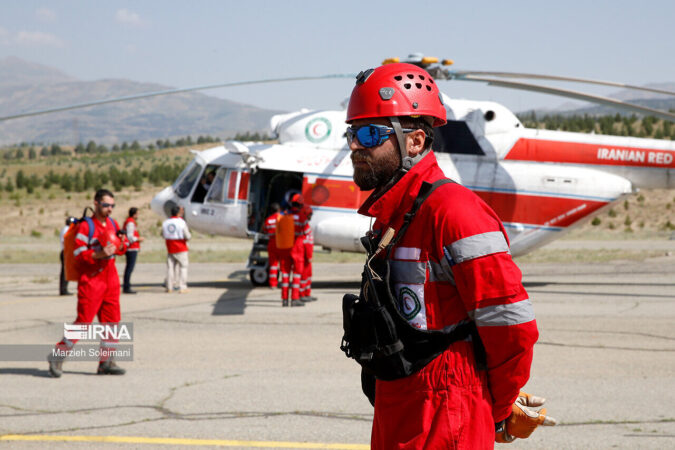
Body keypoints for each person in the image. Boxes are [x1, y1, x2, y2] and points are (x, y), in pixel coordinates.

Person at [342, 63, 550, 448]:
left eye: (370, 134)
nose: (356, 146)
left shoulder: (454, 212)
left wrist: (499, 407)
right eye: (352, 133)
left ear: (416, 141)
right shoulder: (393, 217)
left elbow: (512, 327)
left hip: (444, 419)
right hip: (398, 412)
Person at [49, 189, 127, 377]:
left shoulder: (113, 223)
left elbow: (120, 249)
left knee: (112, 322)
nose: (110, 209)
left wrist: (122, 244)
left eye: (112, 205)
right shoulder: (86, 226)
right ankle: (58, 356)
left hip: (111, 279)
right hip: (92, 280)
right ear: (96, 204)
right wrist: (99, 254)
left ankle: (106, 362)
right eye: (106, 205)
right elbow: (78, 254)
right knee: (83, 322)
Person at [277, 193, 309, 307]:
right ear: (300, 205)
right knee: (296, 274)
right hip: (297, 247)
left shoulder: (284, 215)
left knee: (285, 274)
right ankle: (295, 299)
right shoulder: (302, 216)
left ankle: (284, 300)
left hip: (285, 247)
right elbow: (306, 231)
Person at [162, 205, 191, 293]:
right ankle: (182, 287)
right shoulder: (181, 222)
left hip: (170, 247)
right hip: (181, 246)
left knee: (170, 268)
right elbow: (187, 235)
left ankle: (169, 286)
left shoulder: (166, 222)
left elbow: (163, 234)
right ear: (178, 213)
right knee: (183, 267)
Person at [122, 207, 144, 294]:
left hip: (131, 247)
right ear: (134, 214)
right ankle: (127, 286)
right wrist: (138, 239)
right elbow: (130, 236)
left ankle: (127, 285)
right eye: (137, 214)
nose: (138, 215)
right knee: (129, 268)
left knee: (129, 268)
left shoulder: (129, 221)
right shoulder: (130, 223)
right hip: (131, 248)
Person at [299, 205, 316, 302]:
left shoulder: (305, 225)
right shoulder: (304, 226)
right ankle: (302, 294)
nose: (311, 216)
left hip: (307, 255)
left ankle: (306, 293)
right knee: (304, 276)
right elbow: (307, 243)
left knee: (308, 275)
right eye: (310, 214)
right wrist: (309, 256)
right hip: (305, 256)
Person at [262, 203, 282, 288]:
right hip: (281, 243)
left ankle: (272, 284)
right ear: (278, 210)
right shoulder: (282, 218)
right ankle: (284, 282)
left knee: (273, 265)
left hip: (271, 243)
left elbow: (264, 230)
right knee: (284, 264)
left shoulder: (268, 220)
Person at [59, 216, 77, 295]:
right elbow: (65, 241)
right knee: (65, 271)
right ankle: (63, 290)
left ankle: (64, 289)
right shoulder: (67, 229)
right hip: (66, 252)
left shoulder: (65, 229)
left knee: (65, 271)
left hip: (66, 251)